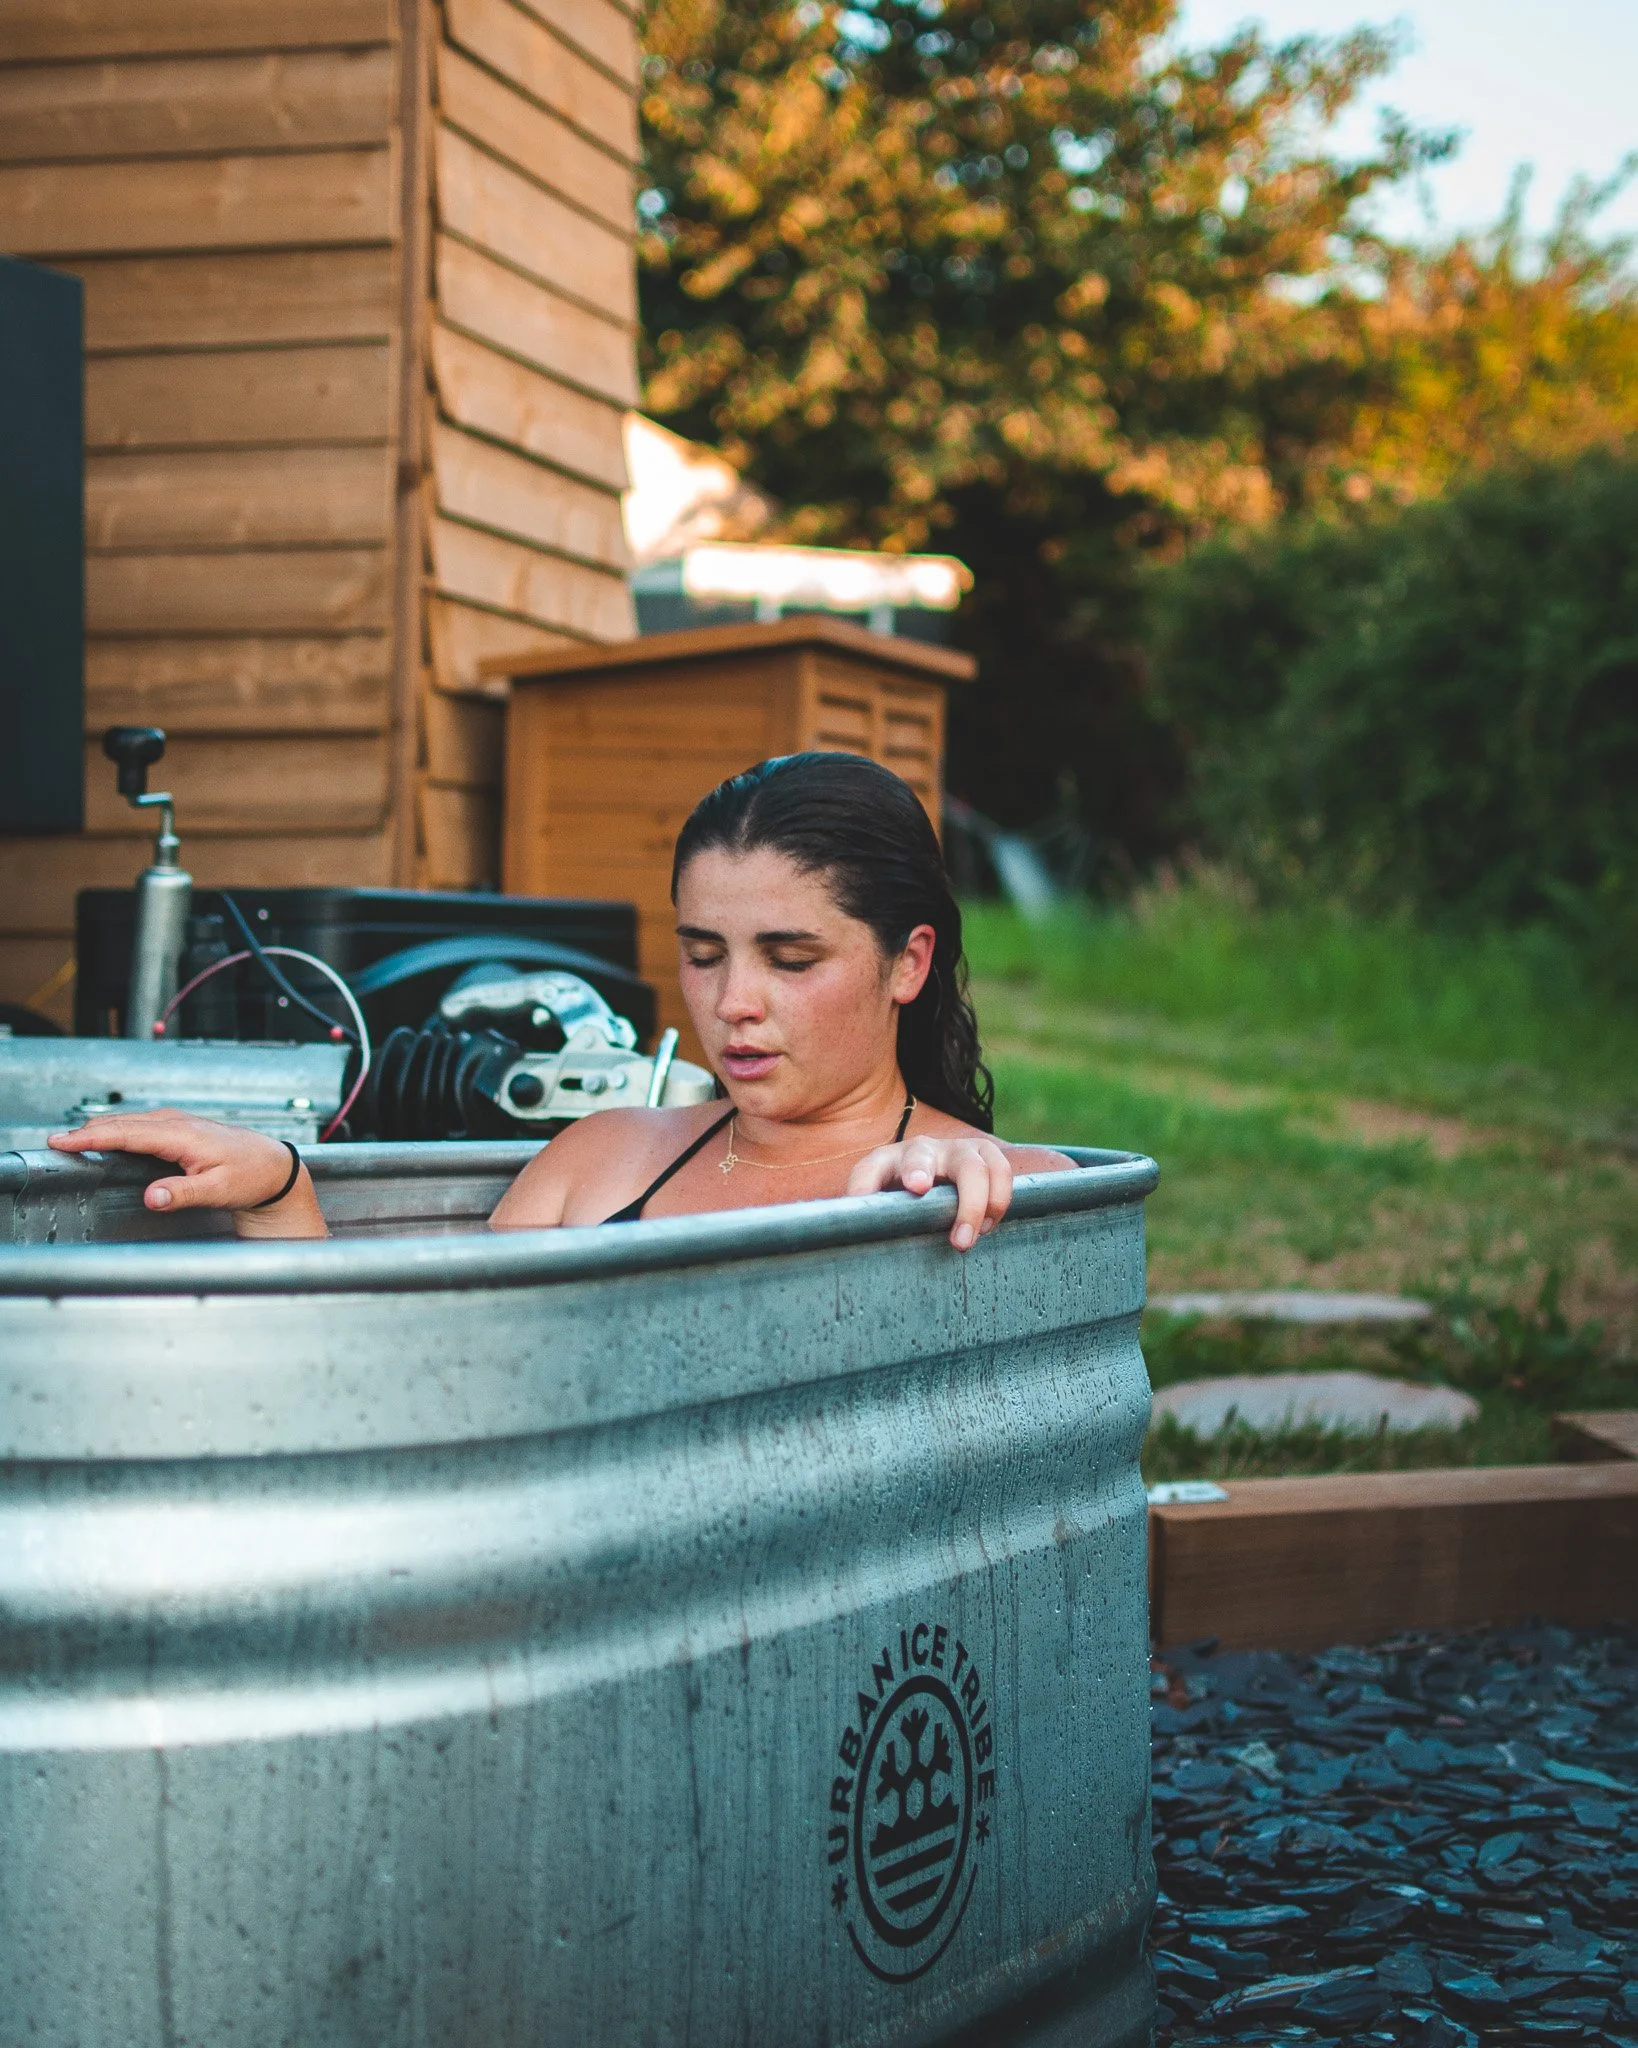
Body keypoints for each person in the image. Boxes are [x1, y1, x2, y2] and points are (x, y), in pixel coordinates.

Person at [49, 753, 1075, 1247]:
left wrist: (961, 1177)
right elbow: (430, 1413)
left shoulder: (995, 1186)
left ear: (909, 962)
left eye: (791, 957)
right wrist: (284, 1191)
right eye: (705, 953)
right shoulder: (599, 1158)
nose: (735, 1004)